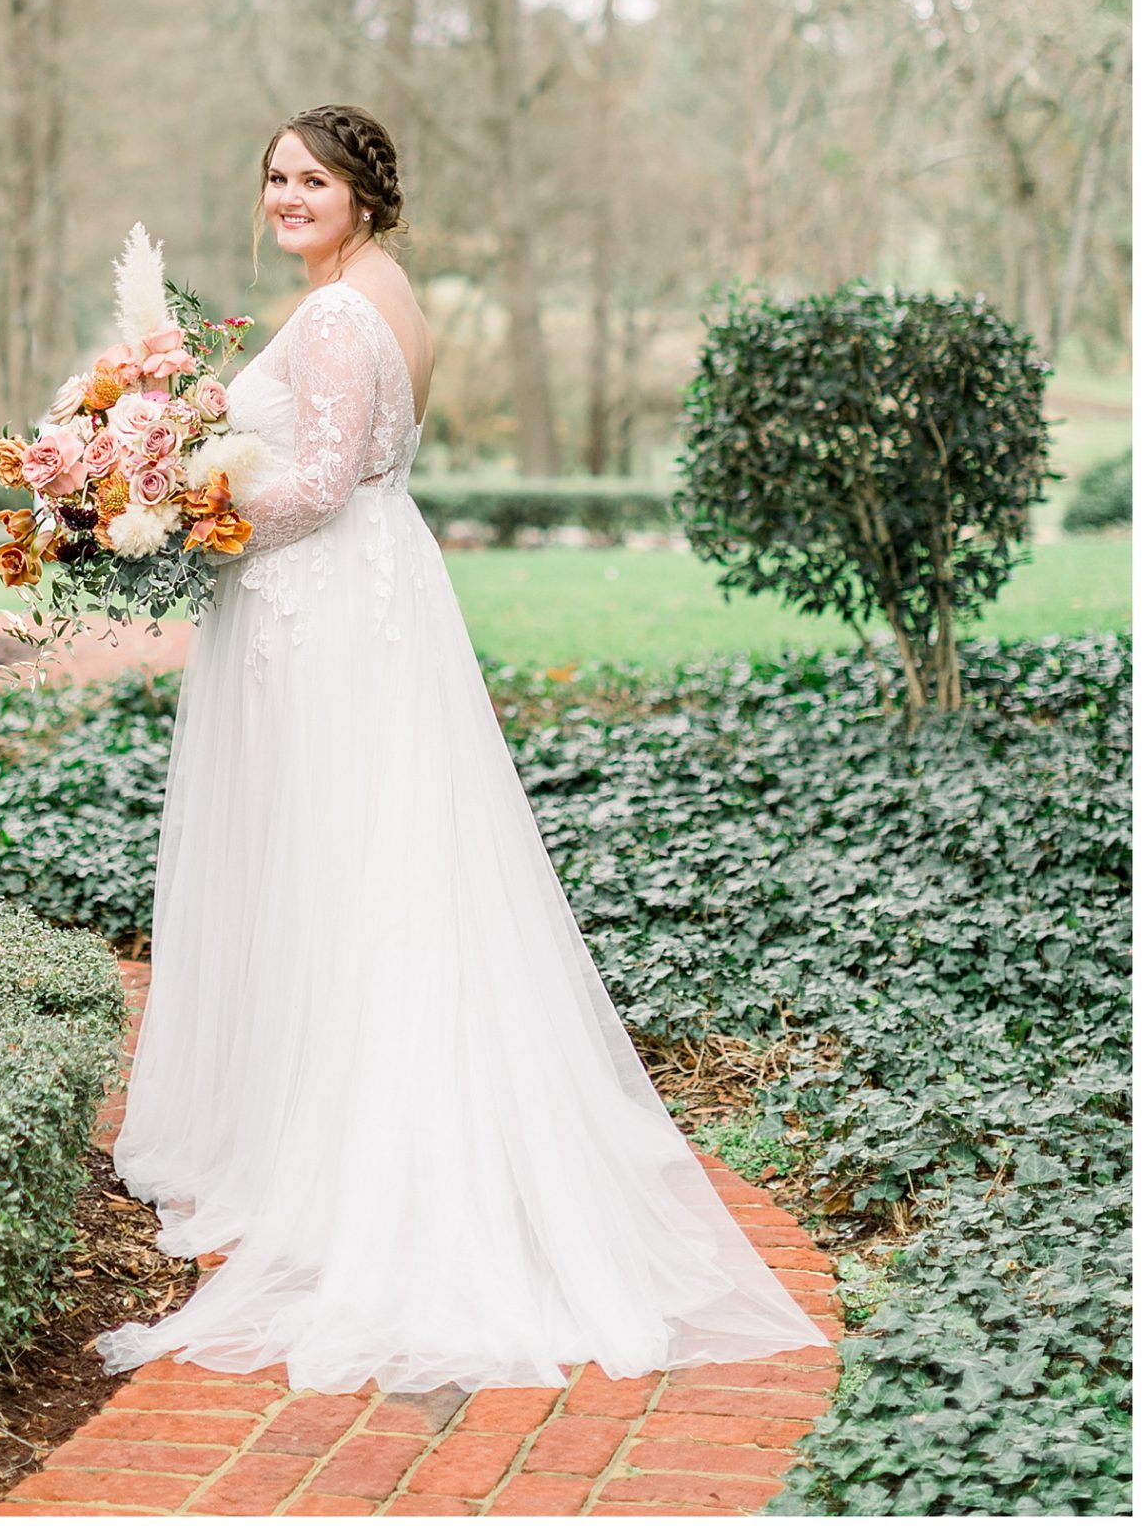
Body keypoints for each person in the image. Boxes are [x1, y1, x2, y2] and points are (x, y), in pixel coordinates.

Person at [93, 103, 825, 1394]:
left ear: (362, 190)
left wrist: (176, 504)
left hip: (320, 617)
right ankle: (339, 1129)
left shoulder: (332, 312)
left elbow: (314, 489)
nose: (284, 196)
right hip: (368, 599)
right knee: (380, 869)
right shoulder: (389, 295)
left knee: (341, 876)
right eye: (270, 176)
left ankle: (357, 1161)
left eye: (309, 178)